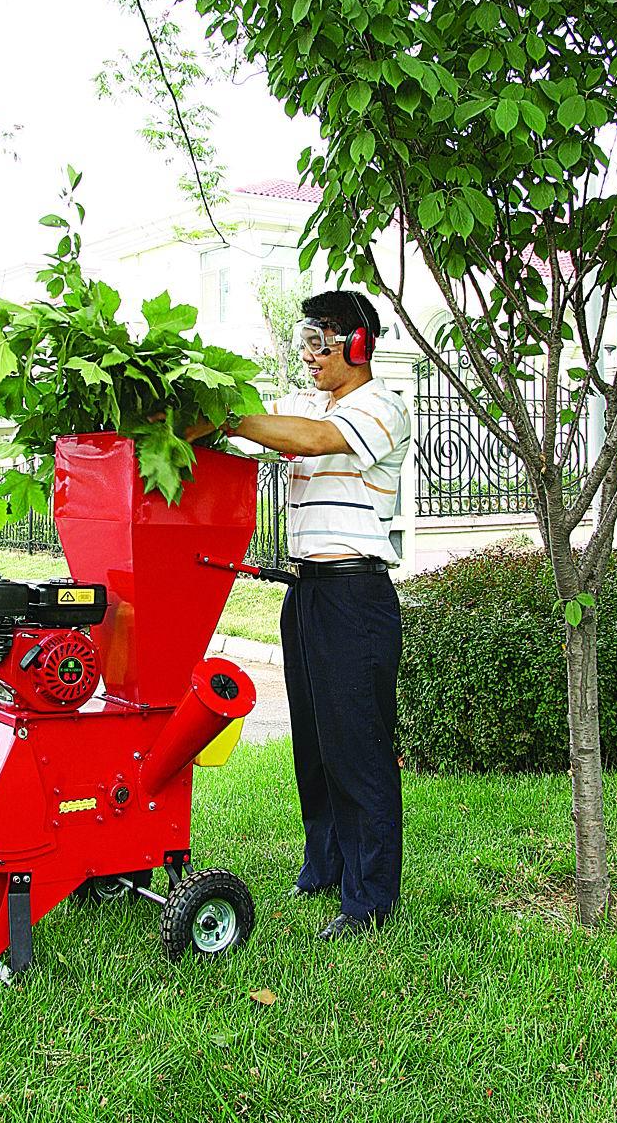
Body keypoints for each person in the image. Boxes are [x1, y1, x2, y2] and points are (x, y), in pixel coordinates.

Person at [187, 290, 412, 939]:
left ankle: (369, 901)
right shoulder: (307, 406)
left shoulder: (381, 406)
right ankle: (324, 866)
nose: (309, 354)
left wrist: (232, 417)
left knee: (357, 748)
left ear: (358, 346)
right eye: (305, 340)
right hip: (306, 591)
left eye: (321, 341)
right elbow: (261, 423)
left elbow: (314, 439)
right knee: (314, 746)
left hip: (355, 596)